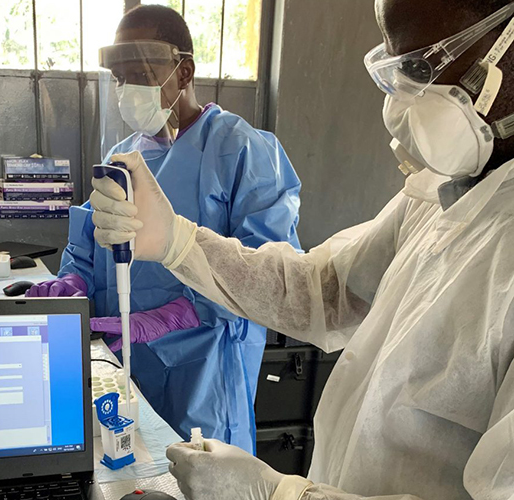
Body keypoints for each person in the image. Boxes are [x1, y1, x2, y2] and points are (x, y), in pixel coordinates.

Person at [87, 0, 514, 498]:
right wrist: (179, 241)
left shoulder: (243, 147)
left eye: (423, 69)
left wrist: (278, 494)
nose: (403, 103)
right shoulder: (441, 192)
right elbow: (324, 291)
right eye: (398, 72)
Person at [27, 5, 302, 453]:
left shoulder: (242, 151)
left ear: (184, 71)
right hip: (125, 372)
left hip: (205, 377)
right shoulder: (123, 155)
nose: (126, 88)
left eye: (140, 72)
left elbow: (270, 278)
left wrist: (174, 315)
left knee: (202, 475)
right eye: (119, 77)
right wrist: (72, 281)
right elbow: (89, 242)